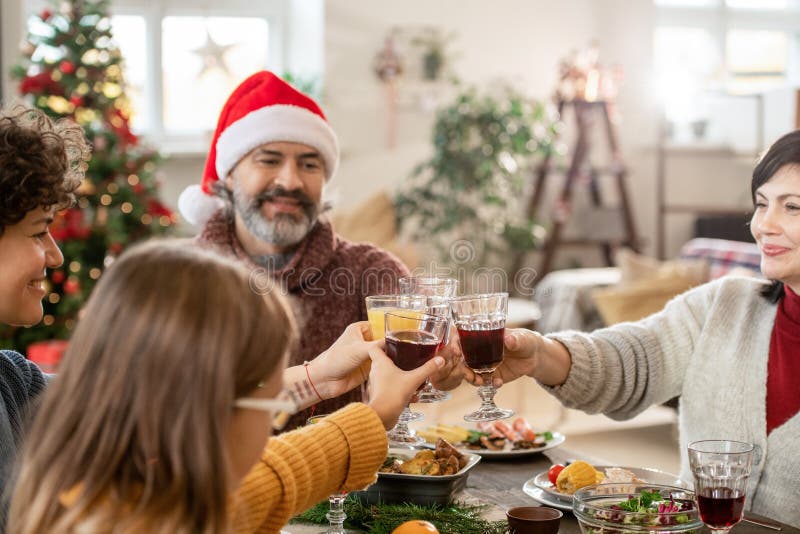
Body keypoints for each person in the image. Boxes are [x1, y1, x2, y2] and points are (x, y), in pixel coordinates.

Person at [449, 129, 800, 526]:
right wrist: (540, 355)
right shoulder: (723, 305)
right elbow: (630, 362)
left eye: (792, 207)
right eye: (761, 203)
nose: (765, 224)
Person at [8, 241, 442, 533]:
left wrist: (366, 409)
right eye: (274, 404)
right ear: (213, 421)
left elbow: (271, 480)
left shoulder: (130, 499)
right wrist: (375, 412)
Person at [178, 71, 410, 429]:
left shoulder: (369, 269)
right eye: (269, 160)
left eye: (309, 164)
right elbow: (173, 410)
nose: (290, 181)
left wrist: (452, 359)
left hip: (344, 483)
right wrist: (315, 378)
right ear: (228, 176)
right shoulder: (176, 278)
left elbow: (428, 337)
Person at [0, 104, 90, 490]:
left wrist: (298, 378)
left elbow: (117, 405)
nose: (55, 256)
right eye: (39, 232)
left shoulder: (10, 379)